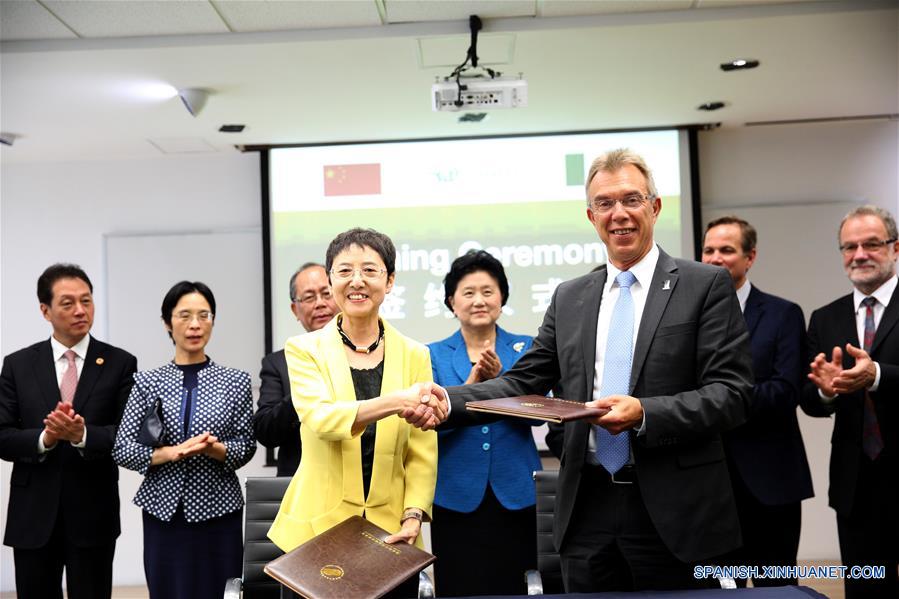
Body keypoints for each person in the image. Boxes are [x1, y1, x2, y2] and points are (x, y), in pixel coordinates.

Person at [414, 148, 754, 592]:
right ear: (591, 218)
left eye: (631, 200)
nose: (619, 215)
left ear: (655, 206)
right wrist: (448, 399)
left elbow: (733, 393)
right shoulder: (570, 297)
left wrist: (645, 413)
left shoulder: (703, 285)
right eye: (605, 204)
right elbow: (522, 380)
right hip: (587, 507)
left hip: (677, 511)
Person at [267, 228, 442, 599]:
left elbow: (422, 449)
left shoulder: (415, 354)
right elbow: (322, 419)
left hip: (391, 534)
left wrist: (414, 514)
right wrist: (398, 401)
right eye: (344, 271)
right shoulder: (303, 350)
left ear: (390, 281)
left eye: (370, 270)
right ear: (330, 281)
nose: (357, 281)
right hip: (315, 534)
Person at [0, 263, 137, 599]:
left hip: (93, 511)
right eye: (68, 303)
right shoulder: (18, 364)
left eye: (86, 301)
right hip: (33, 514)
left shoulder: (120, 362)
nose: (80, 310)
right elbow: (2, 436)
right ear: (45, 310)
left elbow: (128, 434)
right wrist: (46, 438)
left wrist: (81, 435)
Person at [112, 281, 256, 599]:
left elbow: (247, 444)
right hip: (164, 513)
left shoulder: (235, 381)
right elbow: (123, 448)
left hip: (219, 509)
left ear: (213, 321)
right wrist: (170, 454)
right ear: (167, 322)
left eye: (204, 315)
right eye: (184, 315)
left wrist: (216, 449)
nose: (195, 325)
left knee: (222, 592)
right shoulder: (147, 382)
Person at [702, 216, 813, 586]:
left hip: (770, 481)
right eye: (709, 250)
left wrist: (715, 400)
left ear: (750, 257)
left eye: (727, 250)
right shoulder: (686, 318)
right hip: (710, 485)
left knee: (775, 589)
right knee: (717, 591)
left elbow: (785, 391)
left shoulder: (783, 314)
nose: (716, 258)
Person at [427, 250, 539, 596]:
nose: (479, 300)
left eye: (488, 291)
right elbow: (430, 421)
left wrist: (502, 378)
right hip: (456, 493)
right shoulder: (430, 354)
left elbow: (540, 409)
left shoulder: (528, 349)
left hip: (517, 492)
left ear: (502, 297)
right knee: (461, 587)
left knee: (517, 584)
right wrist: (473, 385)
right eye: (469, 292)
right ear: (452, 302)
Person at [801, 205, 899, 598]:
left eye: (871, 244)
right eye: (849, 246)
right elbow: (809, 400)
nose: (859, 254)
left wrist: (875, 375)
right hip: (855, 484)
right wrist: (827, 390)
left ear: (895, 248)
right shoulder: (825, 318)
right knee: (865, 590)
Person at [254, 262, 338, 476]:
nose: (320, 304)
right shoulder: (277, 363)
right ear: (295, 310)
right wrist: (301, 392)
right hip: (300, 484)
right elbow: (266, 433)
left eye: (326, 294)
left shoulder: (365, 354)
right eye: (309, 297)